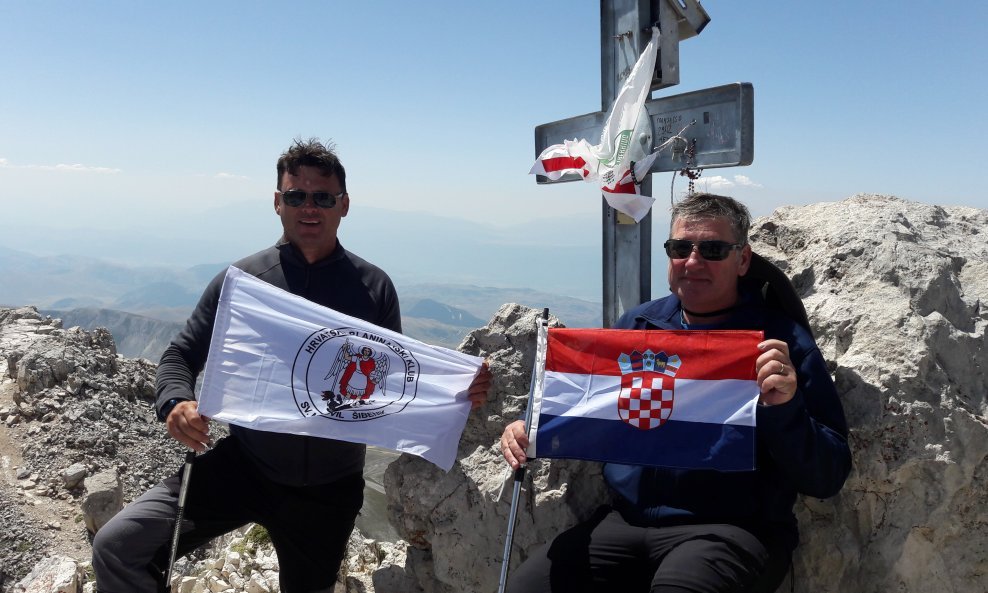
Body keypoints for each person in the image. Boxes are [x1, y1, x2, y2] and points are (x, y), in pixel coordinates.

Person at [92, 138, 492, 593]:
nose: (309, 208)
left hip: (328, 488)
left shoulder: (373, 289)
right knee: (118, 546)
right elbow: (181, 354)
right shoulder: (241, 284)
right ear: (277, 202)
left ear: (344, 206)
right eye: (296, 196)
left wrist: (457, 392)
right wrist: (175, 402)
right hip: (245, 466)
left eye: (322, 197)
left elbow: (395, 383)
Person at [500, 193, 851, 593]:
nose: (693, 261)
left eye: (714, 249)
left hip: (729, 530)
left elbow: (828, 476)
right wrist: (531, 427)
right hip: (625, 522)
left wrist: (785, 408)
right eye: (680, 247)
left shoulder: (780, 343)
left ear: (743, 260)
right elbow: (587, 402)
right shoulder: (636, 325)